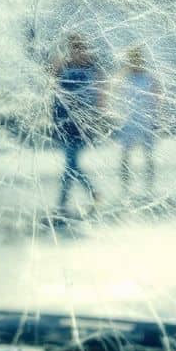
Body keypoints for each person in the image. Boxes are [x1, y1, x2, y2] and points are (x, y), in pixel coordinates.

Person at [52, 33, 104, 218]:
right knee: (71, 165)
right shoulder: (62, 66)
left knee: (70, 165)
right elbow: (49, 77)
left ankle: (62, 206)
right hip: (63, 121)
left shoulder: (93, 70)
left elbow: (100, 98)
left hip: (81, 124)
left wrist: (96, 121)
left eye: (80, 49)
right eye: (73, 49)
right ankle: (92, 195)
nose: (77, 53)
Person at [117, 46, 161, 200]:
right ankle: (125, 188)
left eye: (137, 58)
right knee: (125, 156)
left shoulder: (149, 77)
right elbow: (117, 98)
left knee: (147, 156)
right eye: (132, 58)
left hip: (146, 122)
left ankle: (149, 188)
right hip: (129, 122)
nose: (135, 61)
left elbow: (156, 98)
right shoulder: (123, 77)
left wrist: (155, 117)